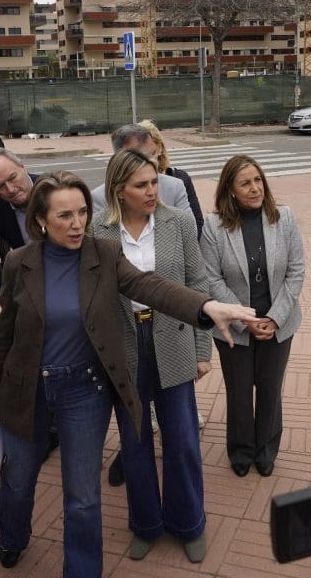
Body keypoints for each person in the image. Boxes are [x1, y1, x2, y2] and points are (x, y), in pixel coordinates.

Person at [0, 171, 256, 576]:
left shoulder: (105, 255)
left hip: (84, 391)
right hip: (29, 388)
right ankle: (12, 533)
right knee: (18, 479)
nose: (77, 224)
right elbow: (3, 334)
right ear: (40, 220)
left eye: (81, 212)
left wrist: (206, 308)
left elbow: (152, 288)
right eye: (64, 216)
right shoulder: (20, 263)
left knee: (83, 496)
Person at [92, 150, 212, 563]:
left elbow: (196, 282)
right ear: (118, 190)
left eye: (153, 182)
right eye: (140, 185)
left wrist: (201, 349)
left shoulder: (177, 222)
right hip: (126, 345)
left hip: (174, 339)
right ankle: (145, 524)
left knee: (181, 440)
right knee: (135, 441)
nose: (151, 191)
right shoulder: (98, 231)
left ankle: (189, 523)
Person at [200, 154, 305, 478]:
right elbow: (211, 278)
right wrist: (244, 318)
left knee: (271, 388)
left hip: (278, 322)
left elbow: (295, 272)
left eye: (258, 180)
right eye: (245, 183)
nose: (255, 188)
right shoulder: (214, 227)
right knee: (240, 391)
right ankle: (241, 450)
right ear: (230, 189)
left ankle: (266, 449)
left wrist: (274, 318)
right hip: (234, 326)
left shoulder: (283, 218)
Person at [90, 124, 189, 216]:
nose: (154, 161)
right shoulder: (99, 198)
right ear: (120, 158)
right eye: (141, 158)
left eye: (154, 153)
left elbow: (190, 231)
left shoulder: (175, 186)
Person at [138, 118, 204, 237]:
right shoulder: (131, 182)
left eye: (150, 154)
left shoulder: (180, 179)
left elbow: (197, 224)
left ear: (159, 148)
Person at [0, 147, 36, 255]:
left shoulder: (53, 190)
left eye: (12, 178)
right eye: (0, 186)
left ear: (23, 167)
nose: (11, 190)